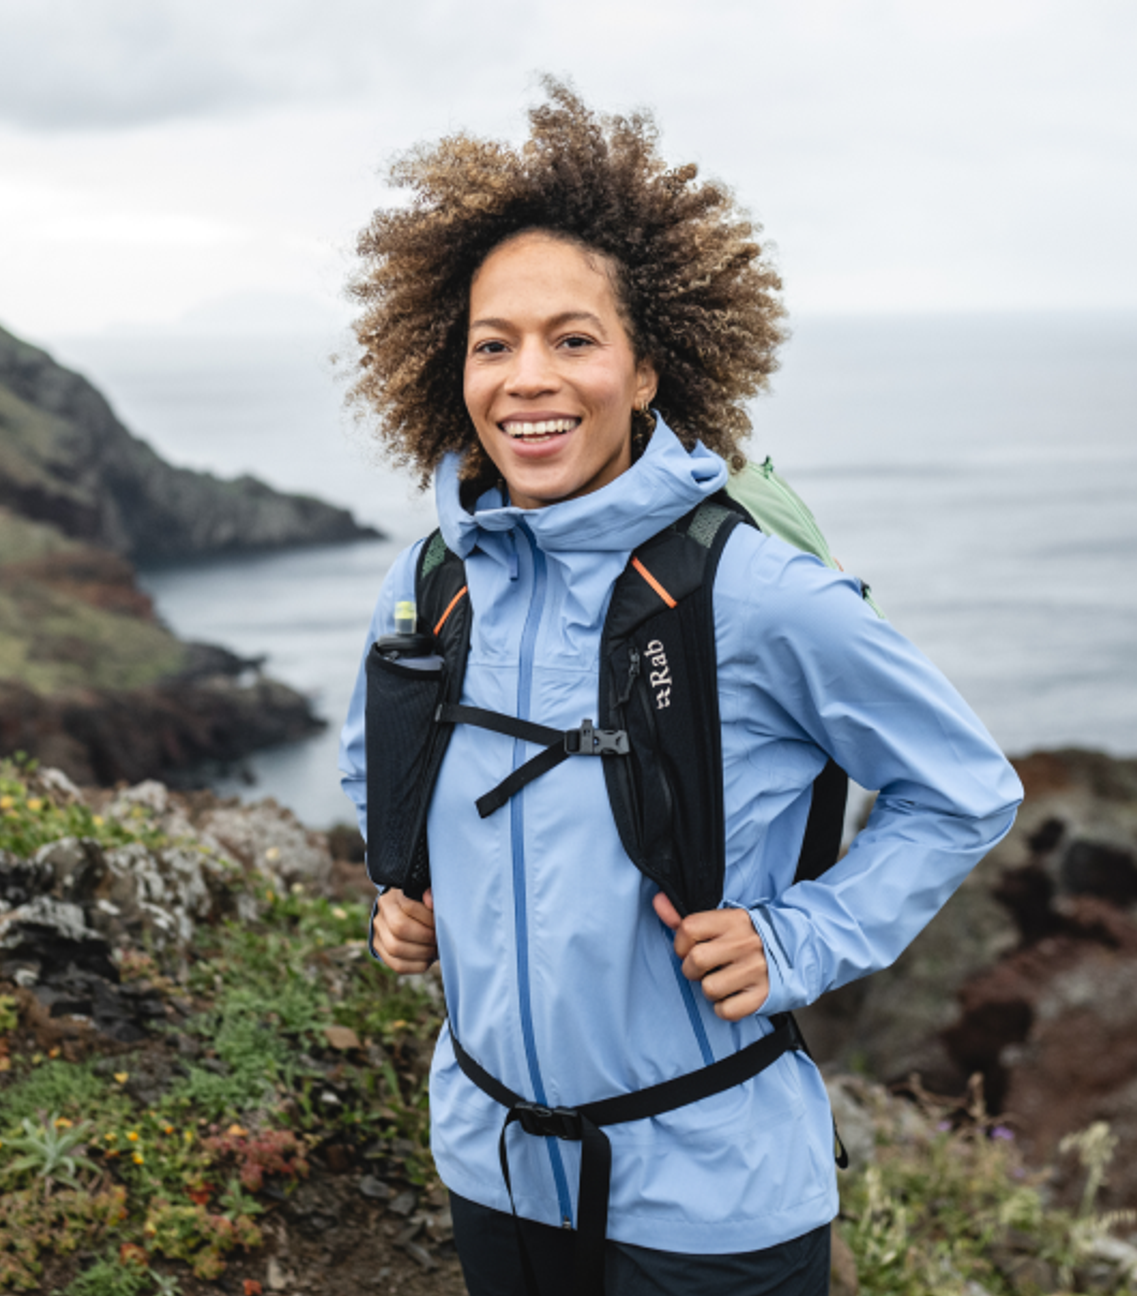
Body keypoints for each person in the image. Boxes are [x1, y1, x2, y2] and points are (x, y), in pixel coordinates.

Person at [337, 81, 1023, 1296]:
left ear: (646, 369)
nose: (526, 378)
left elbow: (962, 789)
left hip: (709, 1196)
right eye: (492, 344)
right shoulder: (434, 578)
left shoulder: (753, 590)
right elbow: (375, 760)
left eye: (573, 340)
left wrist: (796, 940)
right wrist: (406, 888)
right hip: (492, 1160)